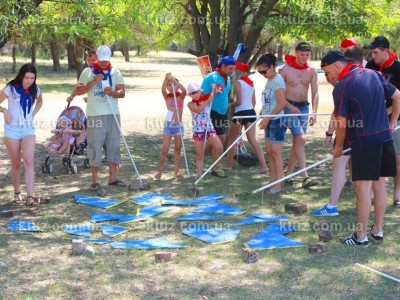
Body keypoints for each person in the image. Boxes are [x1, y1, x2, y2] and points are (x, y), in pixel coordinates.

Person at [321, 50, 400, 246]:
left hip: (365, 142)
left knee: (362, 189)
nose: (328, 77)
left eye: (327, 72)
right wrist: (392, 123)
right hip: (384, 138)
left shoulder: (342, 86)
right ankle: (378, 230)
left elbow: (341, 122)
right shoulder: (374, 74)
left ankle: (360, 236)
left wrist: (338, 147)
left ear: (337, 66)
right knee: (380, 185)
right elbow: (398, 95)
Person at [312, 46, 365, 217]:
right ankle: (333, 205)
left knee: (360, 170)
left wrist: (336, 141)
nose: (328, 77)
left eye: (328, 73)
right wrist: (329, 133)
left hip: (357, 133)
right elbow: (337, 112)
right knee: (341, 165)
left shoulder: (353, 81)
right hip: (358, 132)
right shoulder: (350, 82)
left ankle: (362, 203)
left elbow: (339, 115)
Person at [76, 45, 126, 191]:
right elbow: (79, 90)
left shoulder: (115, 72)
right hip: (95, 115)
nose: (103, 63)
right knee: (94, 146)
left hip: (112, 114)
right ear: (97, 57)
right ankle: (95, 181)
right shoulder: (88, 71)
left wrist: (113, 92)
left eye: (106, 60)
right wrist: (93, 82)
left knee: (113, 145)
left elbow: (122, 92)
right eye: (101, 60)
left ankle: (112, 179)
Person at [0, 63, 43, 206]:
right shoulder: (11, 88)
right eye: (26, 78)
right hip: (12, 129)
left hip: (27, 129)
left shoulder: (35, 89)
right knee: (16, 163)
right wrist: (4, 111)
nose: (29, 81)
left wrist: (33, 114)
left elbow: (40, 101)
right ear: (21, 76)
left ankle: (30, 196)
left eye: (32, 78)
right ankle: (17, 192)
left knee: (29, 161)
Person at [365, 36, 400, 208]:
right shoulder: (370, 67)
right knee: (375, 156)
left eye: (375, 52)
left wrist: (388, 116)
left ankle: (397, 191)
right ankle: (373, 191)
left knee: (397, 158)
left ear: (385, 51)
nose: (372, 55)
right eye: (371, 52)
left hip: (395, 119)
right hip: (375, 119)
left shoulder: (398, 69)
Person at [279, 42, 319, 188]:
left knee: (298, 142)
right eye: (302, 54)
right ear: (296, 53)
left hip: (304, 107)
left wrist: (314, 111)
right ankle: (305, 177)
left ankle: (288, 176)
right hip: (289, 107)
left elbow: (315, 92)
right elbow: (279, 95)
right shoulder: (285, 70)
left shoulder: (312, 70)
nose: (304, 57)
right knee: (301, 138)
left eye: (307, 55)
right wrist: (290, 107)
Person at [221, 61, 268, 173]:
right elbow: (254, 101)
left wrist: (230, 105)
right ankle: (264, 166)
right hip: (251, 112)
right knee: (252, 140)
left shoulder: (237, 83)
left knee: (232, 139)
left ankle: (228, 165)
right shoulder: (251, 83)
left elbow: (239, 101)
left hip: (240, 114)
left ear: (239, 71)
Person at [256, 54, 288, 194]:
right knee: (269, 152)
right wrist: (263, 112)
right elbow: (269, 101)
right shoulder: (269, 80)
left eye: (264, 71)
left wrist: (267, 118)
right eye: (260, 72)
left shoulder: (278, 81)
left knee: (276, 153)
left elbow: (281, 104)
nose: (262, 74)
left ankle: (278, 184)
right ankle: (272, 179)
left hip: (277, 121)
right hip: (269, 119)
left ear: (272, 67)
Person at [187, 82, 225, 179]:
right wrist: (208, 100)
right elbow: (197, 110)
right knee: (200, 155)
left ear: (200, 92)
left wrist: (214, 89)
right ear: (190, 95)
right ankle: (199, 175)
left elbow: (214, 93)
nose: (195, 95)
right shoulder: (190, 104)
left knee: (219, 146)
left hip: (209, 128)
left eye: (197, 92)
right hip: (198, 130)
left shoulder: (206, 99)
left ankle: (216, 167)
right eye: (192, 93)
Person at [154, 73, 187, 180]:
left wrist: (176, 82)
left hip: (178, 126)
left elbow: (184, 90)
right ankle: (160, 172)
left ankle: (176, 172)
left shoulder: (181, 96)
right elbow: (163, 90)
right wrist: (166, 79)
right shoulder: (167, 97)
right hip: (168, 125)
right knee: (165, 149)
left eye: (173, 85)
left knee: (178, 149)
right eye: (169, 85)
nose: (171, 86)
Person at [201, 55, 236, 149]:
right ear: (223, 66)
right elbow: (201, 96)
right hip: (212, 111)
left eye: (233, 69)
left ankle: (199, 160)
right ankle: (201, 159)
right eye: (230, 69)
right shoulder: (212, 77)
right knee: (220, 140)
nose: (232, 71)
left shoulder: (228, 78)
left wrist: (227, 106)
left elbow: (224, 94)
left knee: (218, 141)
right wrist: (213, 93)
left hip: (223, 112)